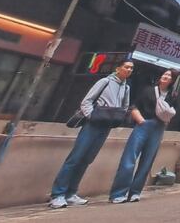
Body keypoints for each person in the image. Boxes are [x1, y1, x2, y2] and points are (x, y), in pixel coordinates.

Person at [50, 59, 134, 209]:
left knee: (87, 159)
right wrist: (92, 116)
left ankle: (71, 193)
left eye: (131, 68)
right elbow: (86, 101)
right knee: (75, 158)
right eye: (126, 67)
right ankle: (57, 194)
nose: (129, 70)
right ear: (118, 68)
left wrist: (118, 118)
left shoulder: (126, 88)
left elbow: (125, 106)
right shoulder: (105, 82)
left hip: (106, 126)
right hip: (93, 124)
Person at [110, 69, 179, 203]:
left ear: (173, 80)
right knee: (129, 158)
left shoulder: (173, 95)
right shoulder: (148, 90)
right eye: (165, 74)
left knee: (147, 161)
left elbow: (174, 112)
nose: (165, 76)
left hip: (159, 127)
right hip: (143, 124)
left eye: (169, 75)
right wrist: (140, 120)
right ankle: (118, 193)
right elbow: (134, 106)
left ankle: (135, 192)